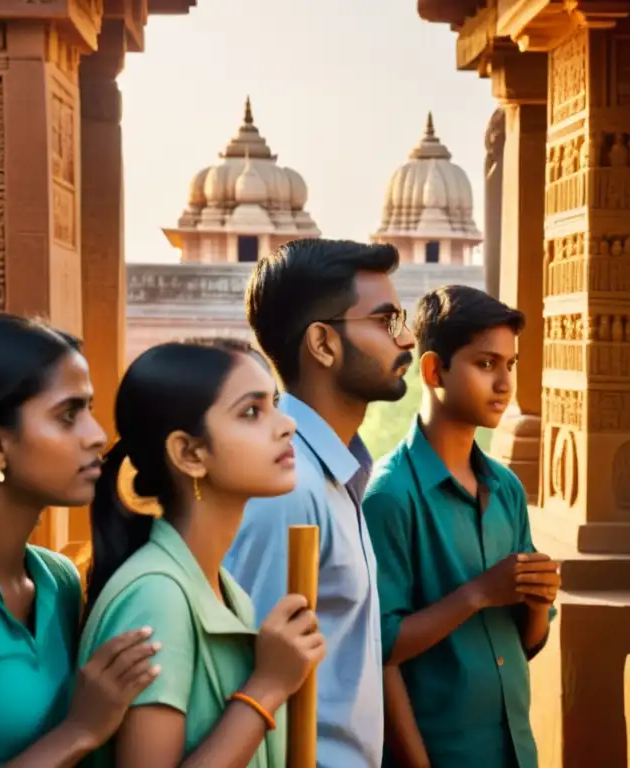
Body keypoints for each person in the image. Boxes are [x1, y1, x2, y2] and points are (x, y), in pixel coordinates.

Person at [79, 338, 325, 767]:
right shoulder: (157, 597)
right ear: (190, 453)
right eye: (252, 411)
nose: (287, 425)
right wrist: (267, 687)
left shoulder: (223, 589)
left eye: (275, 403)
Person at [224, 238, 416, 768]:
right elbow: (245, 682)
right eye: (385, 321)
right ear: (323, 344)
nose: (408, 337)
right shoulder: (288, 486)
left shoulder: (333, 473)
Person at [0, 314, 162, 768]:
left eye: (90, 410)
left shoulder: (56, 580)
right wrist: (80, 730)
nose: (97, 436)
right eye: (67, 415)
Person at [362, 286, 561, 768]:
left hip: (515, 750)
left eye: (509, 365)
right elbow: (378, 651)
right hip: (439, 754)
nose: (504, 384)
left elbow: (528, 642)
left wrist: (539, 600)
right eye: (486, 363)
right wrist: (478, 594)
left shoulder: (506, 489)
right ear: (434, 371)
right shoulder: (390, 497)